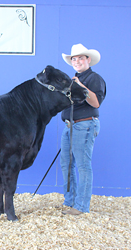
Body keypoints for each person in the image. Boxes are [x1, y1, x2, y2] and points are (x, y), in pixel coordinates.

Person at [59, 43, 106, 215]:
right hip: (70, 125)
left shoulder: (94, 79)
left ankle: (81, 206)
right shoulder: (73, 80)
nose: (77, 61)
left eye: (80, 58)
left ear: (88, 60)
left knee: (83, 165)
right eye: (74, 59)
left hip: (85, 124)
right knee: (67, 164)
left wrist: (80, 86)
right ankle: (70, 201)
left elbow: (96, 103)